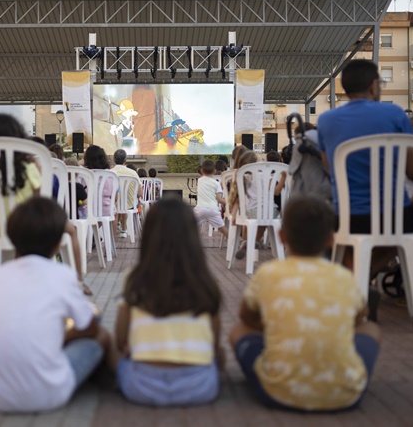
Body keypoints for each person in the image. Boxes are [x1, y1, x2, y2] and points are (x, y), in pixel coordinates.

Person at [229, 196, 381, 412]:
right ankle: (345, 371)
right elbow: (359, 317)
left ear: (282, 237)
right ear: (331, 239)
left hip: (277, 392)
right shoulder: (343, 276)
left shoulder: (268, 273)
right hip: (346, 395)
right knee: (371, 329)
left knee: (238, 331)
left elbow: (246, 318)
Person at [0, 197, 110, 413]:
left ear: (12, 239)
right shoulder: (64, 275)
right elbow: (90, 328)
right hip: (49, 394)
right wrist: (61, 339)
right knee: (100, 337)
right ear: (59, 243)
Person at [317, 59, 413, 275]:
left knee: (342, 237)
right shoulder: (394, 114)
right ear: (374, 86)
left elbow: (330, 169)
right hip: (395, 217)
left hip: (347, 218)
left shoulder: (326, 120)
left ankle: (358, 276)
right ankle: (375, 275)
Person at [114, 198, 223, 406]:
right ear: (193, 237)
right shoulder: (205, 281)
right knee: (220, 356)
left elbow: (121, 341)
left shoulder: (135, 279)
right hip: (199, 387)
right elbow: (214, 342)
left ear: (148, 236)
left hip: (142, 386)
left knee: (112, 353)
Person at [0, 114, 89, 293]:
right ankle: (78, 281)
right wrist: (38, 167)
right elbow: (40, 199)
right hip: (28, 230)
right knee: (71, 230)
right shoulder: (27, 168)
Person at [193, 159, 229, 239]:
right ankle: (235, 243)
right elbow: (219, 199)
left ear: (202, 171)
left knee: (189, 226)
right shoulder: (216, 184)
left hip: (200, 209)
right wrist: (229, 202)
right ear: (215, 171)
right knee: (222, 229)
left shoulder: (199, 181)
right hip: (212, 209)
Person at [111, 149, 142, 239]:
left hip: (113, 205)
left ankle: (114, 229)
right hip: (130, 205)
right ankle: (124, 229)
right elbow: (140, 193)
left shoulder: (110, 172)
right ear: (125, 160)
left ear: (114, 159)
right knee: (125, 202)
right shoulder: (133, 173)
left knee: (118, 203)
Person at [83, 145, 114, 217]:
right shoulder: (111, 174)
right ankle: (111, 228)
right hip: (106, 210)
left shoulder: (82, 173)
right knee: (113, 210)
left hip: (87, 211)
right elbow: (114, 196)